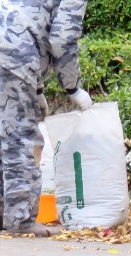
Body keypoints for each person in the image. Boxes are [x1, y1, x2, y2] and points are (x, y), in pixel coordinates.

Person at [0, 0, 92, 235]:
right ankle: (21, 221)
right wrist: (74, 88)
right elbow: (63, 40)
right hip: (12, 51)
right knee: (20, 137)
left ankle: (4, 214)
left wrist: (38, 91)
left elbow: (28, 19)